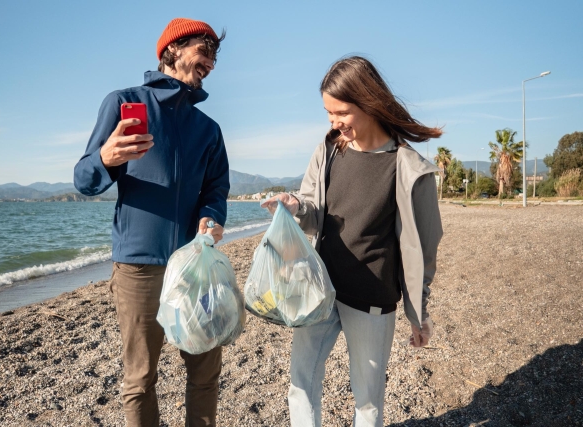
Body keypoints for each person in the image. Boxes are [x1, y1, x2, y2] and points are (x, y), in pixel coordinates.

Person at [261, 56, 443, 427]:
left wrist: (418, 312)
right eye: (328, 115)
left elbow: (423, 249)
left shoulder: (408, 167)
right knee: (301, 384)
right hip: (320, 290)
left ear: (369, 102)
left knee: (367, 402)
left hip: (372, 299)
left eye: (341, 113)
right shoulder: (328, 150)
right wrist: (295, 205)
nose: (334, 123)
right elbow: (313, 209)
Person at [74, 18, 229, 427]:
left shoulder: (208, 129)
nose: (211, 62)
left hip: (195, 267)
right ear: (173, 49)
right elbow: (84, 181)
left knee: (204, 372)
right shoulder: (123, 102)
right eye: (205, 49)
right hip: (139, 268)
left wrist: (211, 218)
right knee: (140, 379)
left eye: (215, 55)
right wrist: (106, 158)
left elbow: (216, 189)